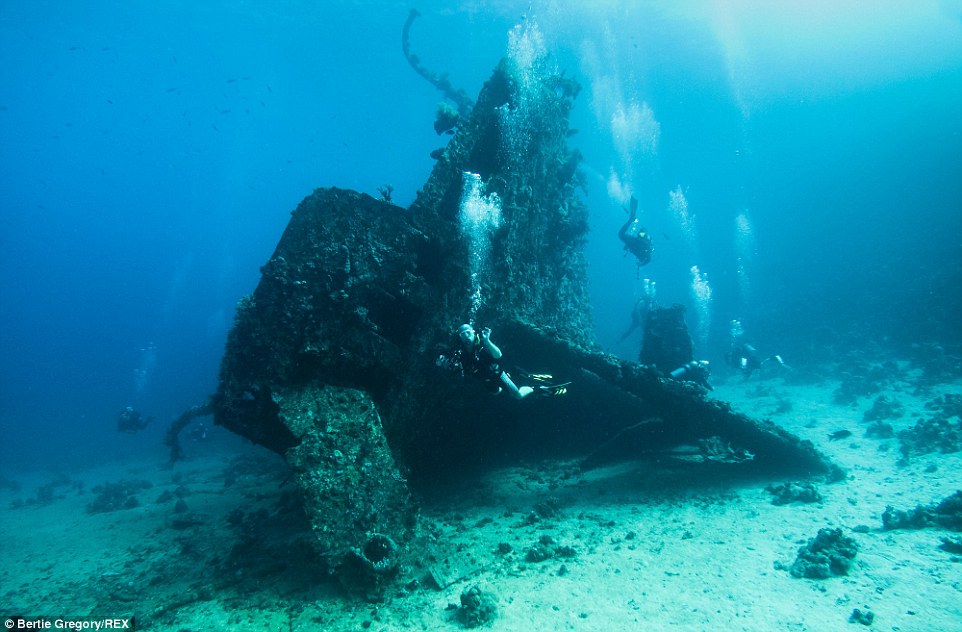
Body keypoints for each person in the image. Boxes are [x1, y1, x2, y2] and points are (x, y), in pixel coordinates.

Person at [437, 324, 568, 398]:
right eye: (462, 334)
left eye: (468, 332)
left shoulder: (482, 343)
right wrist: (444, 364)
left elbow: (498, 354)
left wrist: (488, 341)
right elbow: (456, 369)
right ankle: (516, 373)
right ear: (459, 337)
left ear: (473, 331)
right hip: (485, 379)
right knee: (496, 392)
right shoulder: (460, 351)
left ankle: (536, 388)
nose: (466, 336)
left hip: (496, 373)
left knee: (517, 395)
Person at [618, 196, 653, 266]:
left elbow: (648, 259)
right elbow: (649, 259)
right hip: (637, 241)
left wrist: (640, 264)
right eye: (641, 260)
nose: (639, 259)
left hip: (635, 242)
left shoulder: (643, 255)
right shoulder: (646, 254)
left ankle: (631, 220)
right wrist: (641, 264)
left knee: (621, 234)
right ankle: (632, 220)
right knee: (621, 234)